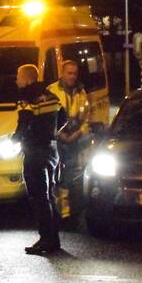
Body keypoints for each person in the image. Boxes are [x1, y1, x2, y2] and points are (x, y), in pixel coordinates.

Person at [15, 64, 64, 255]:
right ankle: (54, 238)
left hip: (34, 151)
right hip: (51, 151)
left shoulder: (26, 97)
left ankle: (45, 239)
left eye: (18, 77)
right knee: (49, 195)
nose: (16, 81)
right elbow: (64, 117)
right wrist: (52, 133)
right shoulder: (52, 96)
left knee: (38, 196)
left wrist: (16, 139)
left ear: (27, 78)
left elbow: (24, 123)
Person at [47, 60, 90, 222]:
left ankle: (65, 209)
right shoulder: (51, 91)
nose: (72, 76)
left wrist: (78, 133)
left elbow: (85, 118)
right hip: (56, 140)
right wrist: (59, 135)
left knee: (69, 172)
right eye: (69, 73)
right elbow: (47, 118)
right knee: (54, 174)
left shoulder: (81, 93)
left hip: (73, 139)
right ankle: (55, 208)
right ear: (62, 73)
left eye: (75, 73)